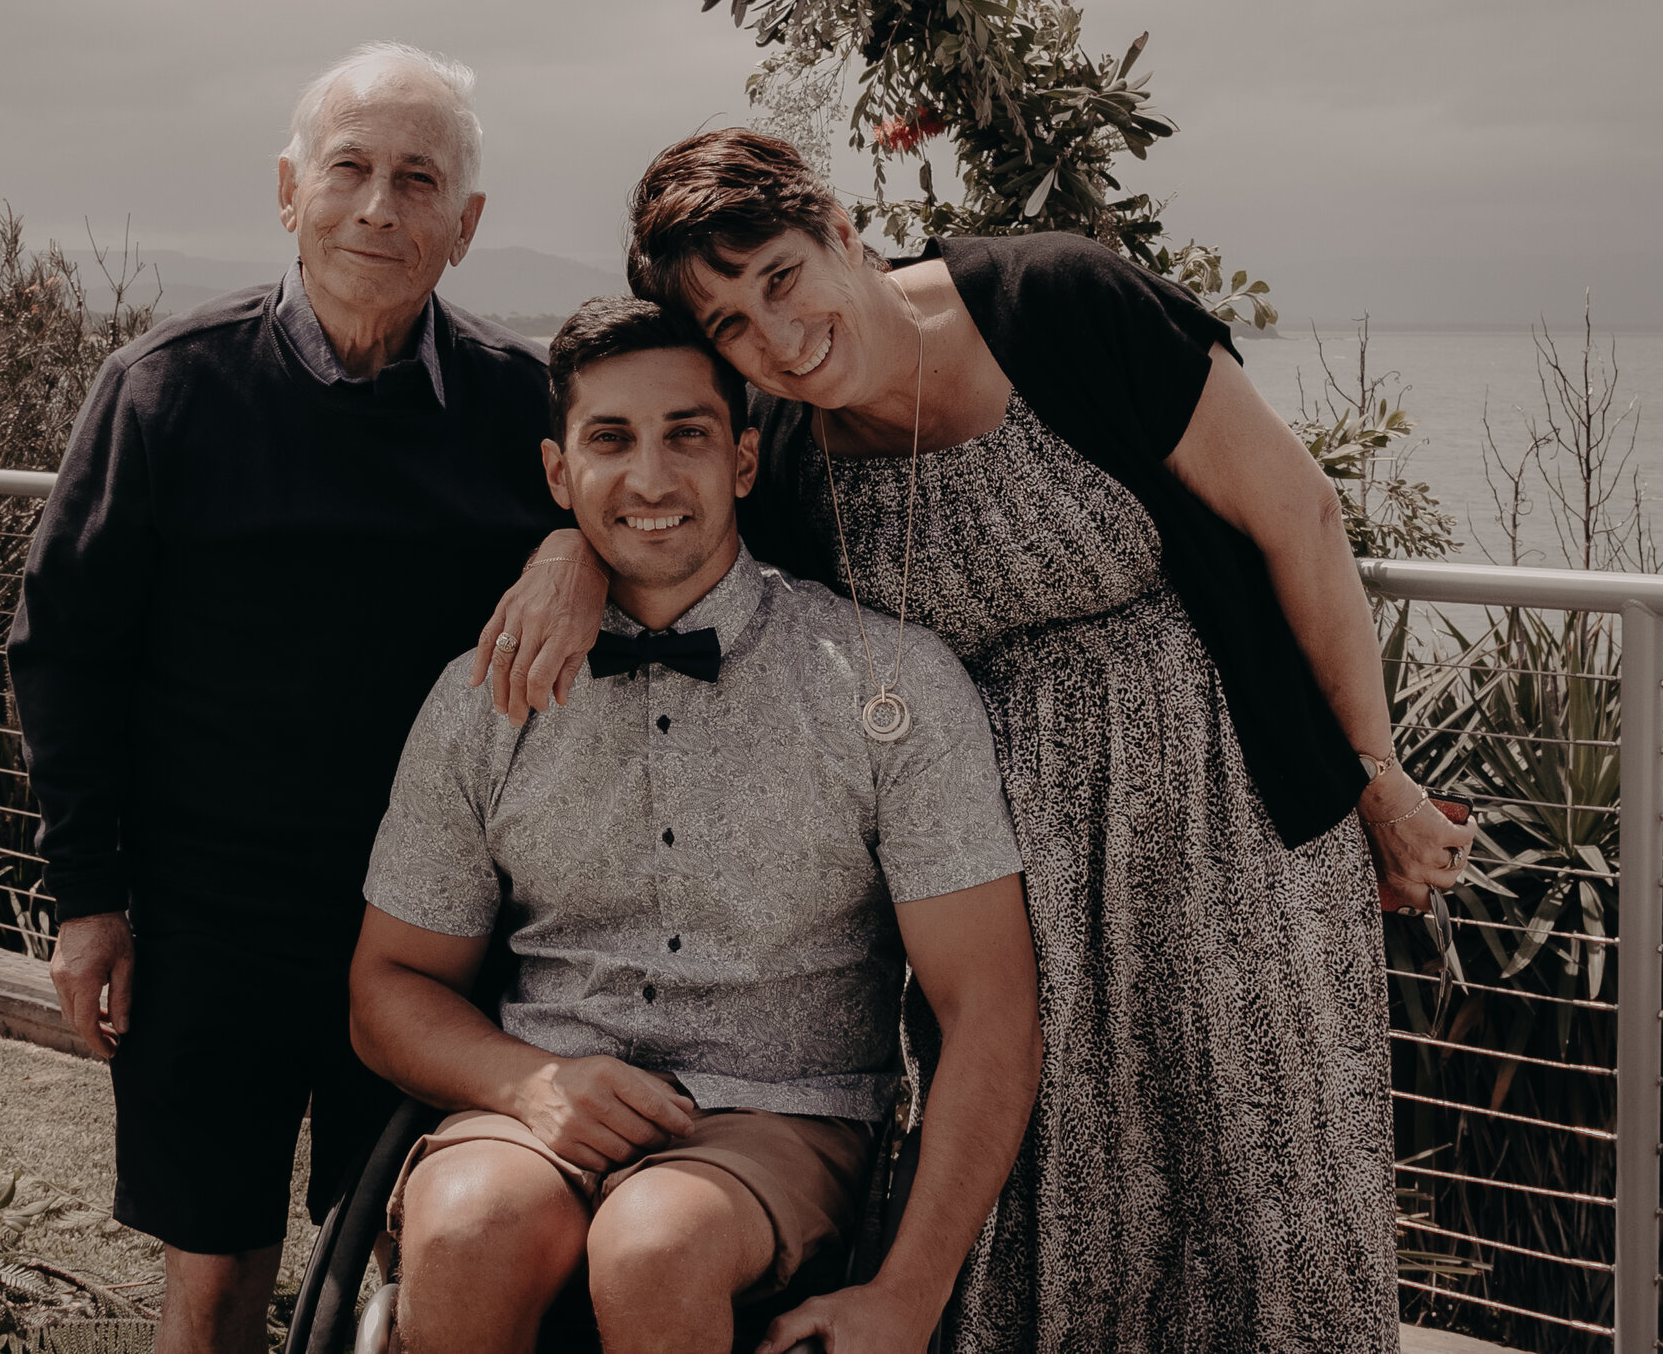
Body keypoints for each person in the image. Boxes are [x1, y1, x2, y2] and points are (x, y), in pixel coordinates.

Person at [474, 131, 1481, 1352]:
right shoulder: (783, 455)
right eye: (732, 324)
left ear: (840, 229)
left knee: (1269, 1201)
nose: (778, 337)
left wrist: (1375, 775)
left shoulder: (1055, 302)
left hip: (1223, 832)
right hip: (999, 877)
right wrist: (568, 553)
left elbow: (1300, 516)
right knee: (1061, 1224)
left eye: (782, 277)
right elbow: (673, 531)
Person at [7, 44, 576, 1353]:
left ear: (465, 224)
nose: (378, 205)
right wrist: (86, 899)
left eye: (418, 179)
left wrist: (575, 548)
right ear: (288, 191)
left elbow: (660, 512)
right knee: (214, 1287)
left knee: (419, 1269)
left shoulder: (524, 406)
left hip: (442, 931)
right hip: (210, 922)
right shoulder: (165, 388)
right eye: (350, 168)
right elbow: (66, 647)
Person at [352, 297, 1041, 1354]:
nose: (651, 477)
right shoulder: (481, 696)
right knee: (469, 1224)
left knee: (655, 1242)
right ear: (558, 473)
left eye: (687, 434)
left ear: (744, 460)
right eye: (610, 439)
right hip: (534, 1102)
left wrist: (906, 1296)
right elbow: (387, 985)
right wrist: (527, 1083)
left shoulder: (889, 682)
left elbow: (988, 1006)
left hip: (787, 1115)